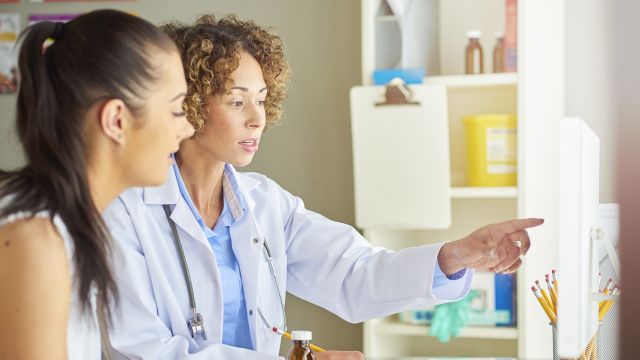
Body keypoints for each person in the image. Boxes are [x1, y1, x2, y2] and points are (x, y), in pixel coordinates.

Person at [103, 15, 543, 359]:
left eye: (261, 99)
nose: (258, 118)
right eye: (237, 101)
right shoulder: (127, 209)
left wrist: (454, 255)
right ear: (191, 103)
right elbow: (140, 348)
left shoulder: (266, 204)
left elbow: (355, 275)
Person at [0, 9, 194, 360]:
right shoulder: (34, 240)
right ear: (117, 119)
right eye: (178, 109)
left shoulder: (71, 224)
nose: (188, 129)